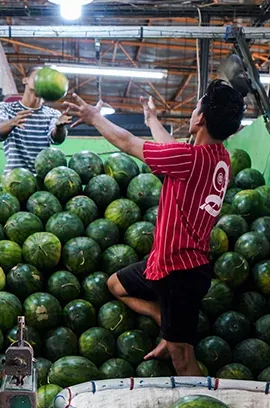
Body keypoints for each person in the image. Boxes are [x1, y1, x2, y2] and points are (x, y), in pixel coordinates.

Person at [65, 82, 245, 376]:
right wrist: (151, 119)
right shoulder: (218, 157)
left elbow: (127, 142)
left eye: (196, 107)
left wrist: (94, 117)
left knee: (183, 360)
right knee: (116, 285)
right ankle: (165, 320)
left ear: (199, 119)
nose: (193, 112)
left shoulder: (189, 159)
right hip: (170, 265)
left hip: (180, 273)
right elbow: (169, 149)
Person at [0, 67, 72, 173]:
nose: (42, 80)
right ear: (25, 80)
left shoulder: (53, 113)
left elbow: (56, 140)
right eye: (38, 76)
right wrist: (12, 122)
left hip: (42, 180)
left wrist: (60, 127)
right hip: (14, 179)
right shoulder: (5, 108)